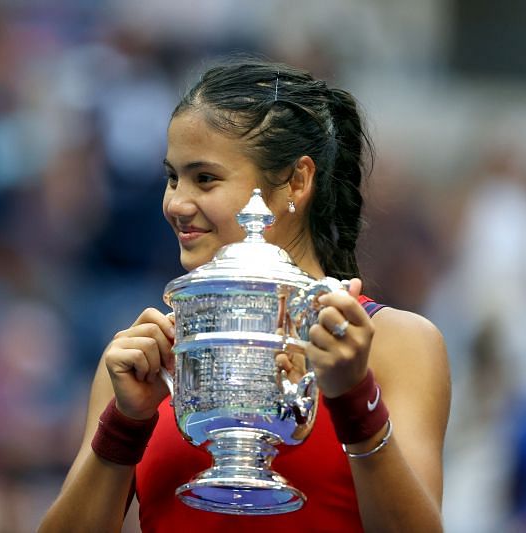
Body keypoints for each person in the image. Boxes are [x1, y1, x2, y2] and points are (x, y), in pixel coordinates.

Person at [39, 59, 451, 532]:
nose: (175, 203)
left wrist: (355, 398)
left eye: (205, 178)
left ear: (297, 181)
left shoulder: (397, 344)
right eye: (173, 177)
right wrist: (124, 426)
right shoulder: (144, 357)